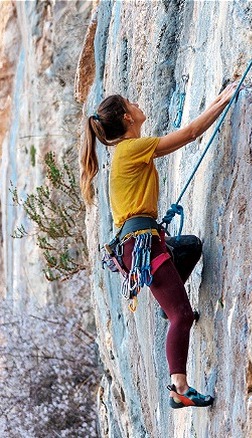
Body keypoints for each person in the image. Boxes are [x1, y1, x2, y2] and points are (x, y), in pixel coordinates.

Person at [80, 82, 238, 408]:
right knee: (182, 316)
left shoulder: (128, 150)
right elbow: (191, 133)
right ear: (127, 116)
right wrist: (224, 97)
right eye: (131, 102)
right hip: (142, 246)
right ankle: (178, 388)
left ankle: (171, 306)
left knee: (190, 246)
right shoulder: (129, 148)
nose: (138, 104)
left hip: (142, 241)